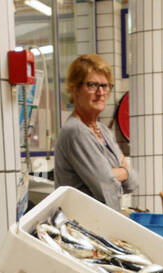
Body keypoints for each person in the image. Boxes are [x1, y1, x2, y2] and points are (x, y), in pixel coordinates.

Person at [54, 54, 137, 208]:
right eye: (92, 85)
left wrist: (116, 175)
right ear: (75, 89)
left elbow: (133, 183)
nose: (100, 92)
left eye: (105, 86)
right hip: (82, 225)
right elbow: (106, 188)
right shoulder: (76, 132)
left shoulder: (103, 131)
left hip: (101, 221)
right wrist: (123, 171)